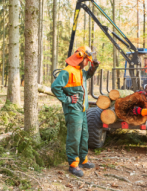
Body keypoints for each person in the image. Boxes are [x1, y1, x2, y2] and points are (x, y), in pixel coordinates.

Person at [51, 46, 99, 177]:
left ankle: (83, 159)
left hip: (82, 109)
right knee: (74, 137)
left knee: (84, 135)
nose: (87, 63)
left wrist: (94, 67)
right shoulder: (67, 71)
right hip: (73, 110)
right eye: (87, 61)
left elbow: (88, 75)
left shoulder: (80, 71)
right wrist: (67, 99)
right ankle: (73, 164)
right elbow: (55, 87)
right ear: (80, 58)